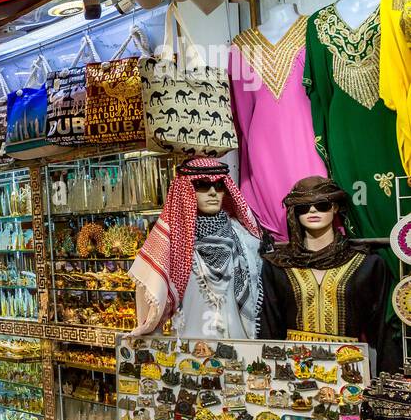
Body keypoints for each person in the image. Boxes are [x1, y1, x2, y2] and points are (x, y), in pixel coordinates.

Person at [260, 176, 401, 373]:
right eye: (303, 207)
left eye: (322, 205)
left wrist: (388, 386)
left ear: (335, 207)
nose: (312, 211)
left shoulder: (368, 264)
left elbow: (383, 331)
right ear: (294, 213)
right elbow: (269, 328)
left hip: (350, 373)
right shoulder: (278, 266)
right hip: (292, 372)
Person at [128, 158, 263, 339]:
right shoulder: (171, 241)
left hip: (239, 345)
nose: (213, 192)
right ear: (187, 190)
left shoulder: (245, 239)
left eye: (219, 185)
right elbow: (149, 295)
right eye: (202, 185)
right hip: (190, 347)